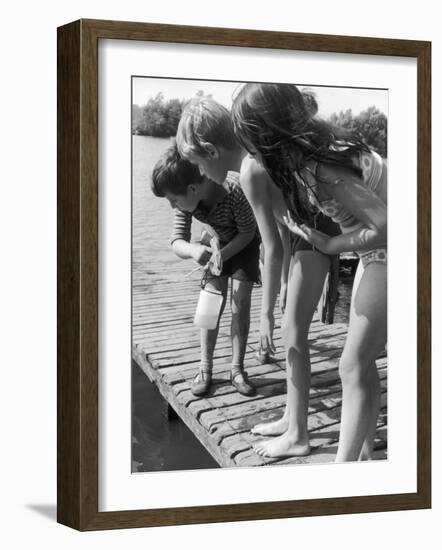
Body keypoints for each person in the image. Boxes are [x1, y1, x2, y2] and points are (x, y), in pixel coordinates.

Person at [231, 83, 387, 462]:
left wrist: (331, 245)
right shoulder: (310, 160)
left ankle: (342, 474)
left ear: (270, 139)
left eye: (252, 147)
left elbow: (384, 225)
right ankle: (364, 453)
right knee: (361, 363)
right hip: (375, 256)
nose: (251, 157)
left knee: (351, 364)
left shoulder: (322, 166)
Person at [176, 97, 340, 458]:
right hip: (305, 233)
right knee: (292, 331)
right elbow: (282, 223)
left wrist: (266, 313)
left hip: (316, 233)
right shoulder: (253, 162)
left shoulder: (250, 171)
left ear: (211, 150)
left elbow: (272, 247)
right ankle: (291, 417)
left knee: (291, 332)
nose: (200, 174)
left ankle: (298, 435)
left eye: (198, 163)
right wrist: (282, 285)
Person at [151, 142, 260, 397]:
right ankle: (205, 367)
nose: (172, 206)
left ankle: (237, 369)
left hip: (244, 244)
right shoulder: (185, 200)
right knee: (210, 303)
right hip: (214, 244)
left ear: (192, 189)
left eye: (173, 200)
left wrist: (222, 255)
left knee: (240, 303)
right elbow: (176, 241)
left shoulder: (233, 189)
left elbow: (247, 232)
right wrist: (193, 250)